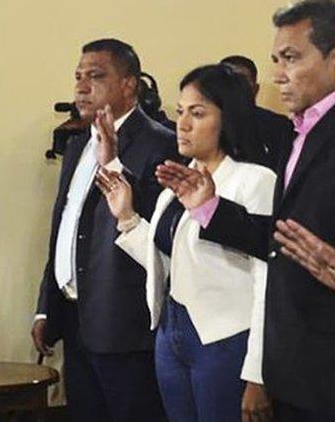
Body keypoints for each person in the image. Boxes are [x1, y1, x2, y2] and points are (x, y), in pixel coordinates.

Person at [161, 0, 335, 420]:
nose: (276, 74)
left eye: (290, 58)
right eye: (276, 59)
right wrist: (211, 209)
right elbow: (284, 238)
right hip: (295, 362)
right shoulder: (303, 130)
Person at [97, 64, 276, 421]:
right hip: (172, 335)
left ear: (227, 119)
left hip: (225, 340)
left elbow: (267, 283)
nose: (183, 123)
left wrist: (257, 373)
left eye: (198, 113)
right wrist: (128, 218)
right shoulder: (180, 178)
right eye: (181, 112)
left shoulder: (254, 180)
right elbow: (172, 263)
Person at [32, 38, 175, 421]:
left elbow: (155, 232)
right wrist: (47, 307)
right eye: (78, 77)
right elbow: (66, 228)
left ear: (129, 85)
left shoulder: (161, 144)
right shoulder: (78, 147)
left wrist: (113, 163)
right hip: (76, 322)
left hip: (126, 328)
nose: (81, 87)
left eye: (95, 76)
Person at [220, 55, 292, 170]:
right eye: (227, 82)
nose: (234, 89)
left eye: (241, 81)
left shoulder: (279, 126)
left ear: (255, 89)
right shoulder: (203, 124)